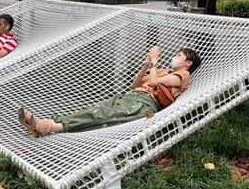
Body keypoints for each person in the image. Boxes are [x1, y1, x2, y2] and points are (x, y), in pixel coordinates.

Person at [18, 46, 201, 137]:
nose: (175, 57)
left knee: (100, 115)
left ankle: (48, 126)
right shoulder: (162, 71)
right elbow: (135, 84)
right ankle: (48, 123)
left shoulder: (183, 75)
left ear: (188, 63)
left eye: (179, 56)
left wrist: (154, 60)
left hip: (143, 106)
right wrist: (145, 65)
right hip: (131, 97)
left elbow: (152, 82)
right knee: (96, 111)